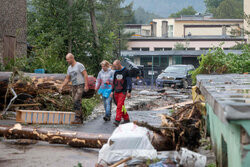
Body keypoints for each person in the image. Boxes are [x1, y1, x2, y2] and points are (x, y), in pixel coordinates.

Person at [60, 53, 89, 124]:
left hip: (80, 85)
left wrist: (86, 85)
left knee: (76, 100)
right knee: (76, 101)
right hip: (74, 86)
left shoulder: (79, 65)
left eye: (68, 59)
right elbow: (67, 79)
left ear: (72, 58)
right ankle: (80, 119)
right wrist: (62, 86)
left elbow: (85, 74)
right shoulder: (69, 68)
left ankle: (77, 118)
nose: (67, 61)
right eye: (66, 59)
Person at [110, 60, 132, 126]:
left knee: (119, 106)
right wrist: (112, 91)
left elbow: (129, 82)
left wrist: (129, 92)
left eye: (115, 66)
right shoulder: (116, 72)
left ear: (119, 64)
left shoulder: (126, 71)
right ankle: (126, 118)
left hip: (123, 91)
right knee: (121, 106)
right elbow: (114, 82)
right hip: (116, 91)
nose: (114, 67)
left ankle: (117, 120)